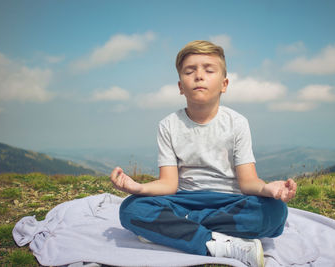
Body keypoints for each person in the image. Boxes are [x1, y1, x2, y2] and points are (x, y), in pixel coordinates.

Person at [110, 40, 297, 267]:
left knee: (275, 212)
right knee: (131, 209)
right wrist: (138, 188)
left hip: (230, 201)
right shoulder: (168, 125)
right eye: (190, 71)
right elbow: (168, 184)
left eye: (209, 70)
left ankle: (174, 230)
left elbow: (248, 183)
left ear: (224, 84)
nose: (199, 76)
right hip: (184, 201)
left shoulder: (237, 123)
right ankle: (216, 244)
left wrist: (268, 189)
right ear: (181, 86)